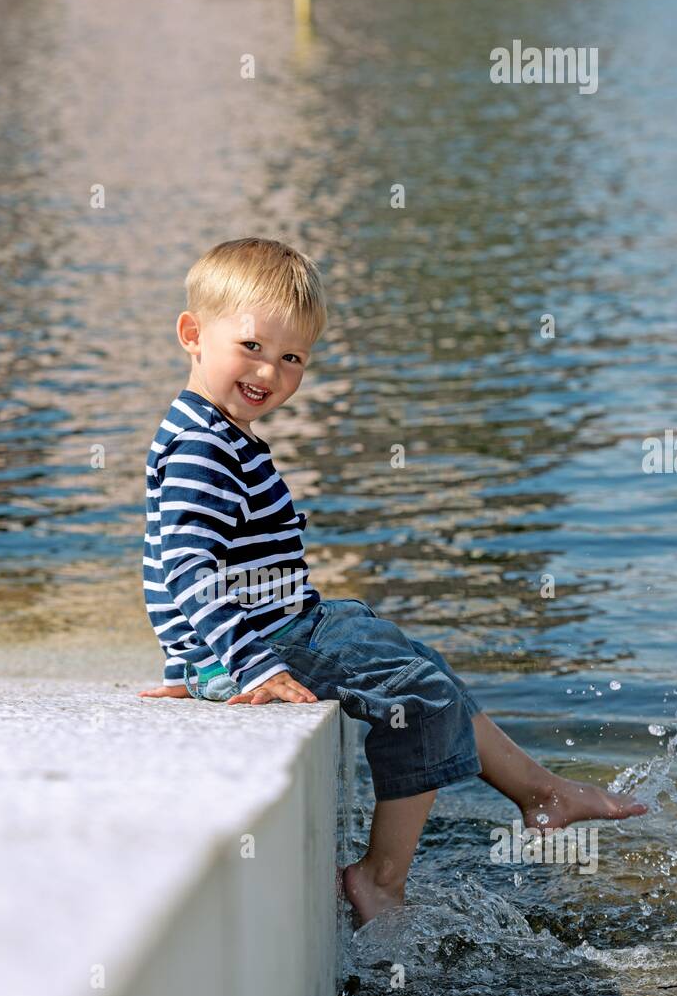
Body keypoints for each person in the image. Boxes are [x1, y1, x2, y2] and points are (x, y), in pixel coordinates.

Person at [140, 238, 646, 923]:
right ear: (192, 335)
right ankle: (379, 876)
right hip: (263, 646)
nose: (270, 371)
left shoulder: (214, 429)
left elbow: (184, 557)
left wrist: (184, 653)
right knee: (423, 697)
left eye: (292, 358)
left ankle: (538, 791)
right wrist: (235, 664)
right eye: (253, 347)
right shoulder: (203, 447)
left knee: (414, 658)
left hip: (280, 625)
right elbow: (185, 563)